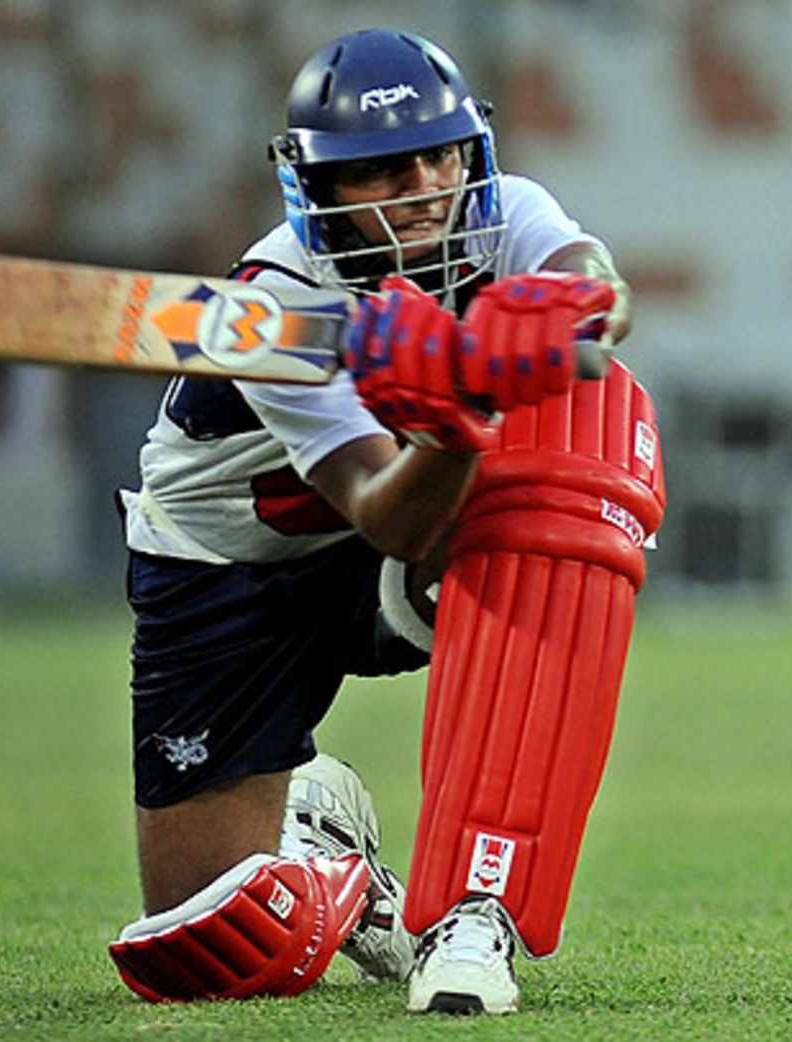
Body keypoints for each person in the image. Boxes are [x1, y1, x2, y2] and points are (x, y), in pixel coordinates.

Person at [107, 27, 662, 1014]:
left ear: (468, 151)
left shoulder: (509, 218)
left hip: (382, 576)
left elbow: (598, 288)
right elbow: (384, 510)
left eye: (436, 156)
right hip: (229, 578)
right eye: (377, 171)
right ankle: (333, 860)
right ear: (317, 188)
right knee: (213, 946)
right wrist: (455, 424)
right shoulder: (274, 303)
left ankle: (473, 903)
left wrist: (557, 316)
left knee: (588, 425)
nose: (419, 187)